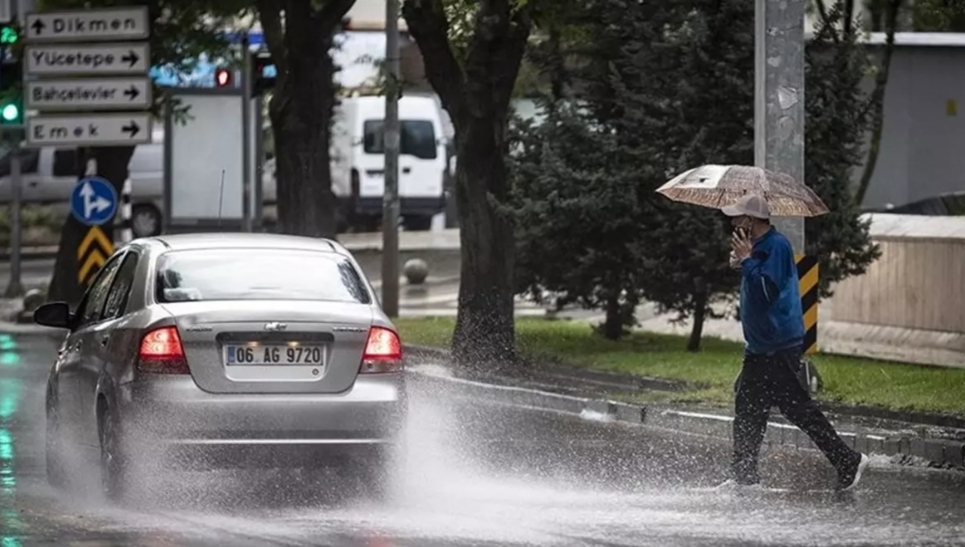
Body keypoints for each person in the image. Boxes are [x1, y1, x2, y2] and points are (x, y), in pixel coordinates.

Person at [720, 193, 869, 491]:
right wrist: (740, 261)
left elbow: (766, 291)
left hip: (777, 345)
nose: (733, 221)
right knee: (749, 409)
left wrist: (748, 261)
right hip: (760, 346)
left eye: (738, 216)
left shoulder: (776, 246)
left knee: (798, 408)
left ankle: (848, 460)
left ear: (751, 219)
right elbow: (754, 278)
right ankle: (744, 476)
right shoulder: (758, 246)